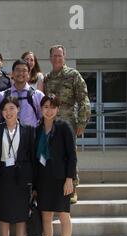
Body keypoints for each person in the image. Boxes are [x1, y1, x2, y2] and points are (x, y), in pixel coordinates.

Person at [43, 44, 91, 203]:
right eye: (54, 55)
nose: (57, 58)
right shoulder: (48, 78)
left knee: (70, 153)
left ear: (64, 57)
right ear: (50, 58)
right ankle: (58, 185)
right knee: (54, 154)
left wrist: (82, 121)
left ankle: (73, 188)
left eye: (59, 55)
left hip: (69, 121)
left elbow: (83, 99)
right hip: (51, 122)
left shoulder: (73, 75)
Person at [35, 94, 76, 236]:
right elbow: (34, 158)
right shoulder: (37, 129)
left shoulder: (64, 127)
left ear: (57, 109)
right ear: (41, 109)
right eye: (45, 106)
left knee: (63, 215)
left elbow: (72, 155)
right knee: (46, 216)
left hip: (61, 179)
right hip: (43, 179)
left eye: (52, 107)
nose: (49, 110)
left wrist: (70, 179)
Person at [0, 96, 35, 236]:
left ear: (18, 109)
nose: (8, 112)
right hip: (3, 176)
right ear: (1, 113)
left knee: (21, 216)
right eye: (5, 109)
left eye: (11, 108)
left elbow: (33, 158)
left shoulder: (29, 130)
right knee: (3, 216)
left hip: (22, 177)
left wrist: (34, 184)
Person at [0, 59, 44, 128]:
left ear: (28, 74)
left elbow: (42, 118)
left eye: (24, 70)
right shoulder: (2, 96)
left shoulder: (38, 95)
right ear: (12, 73)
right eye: (18, 70)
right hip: (8, 136)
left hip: (31, 137)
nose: (21, 73)